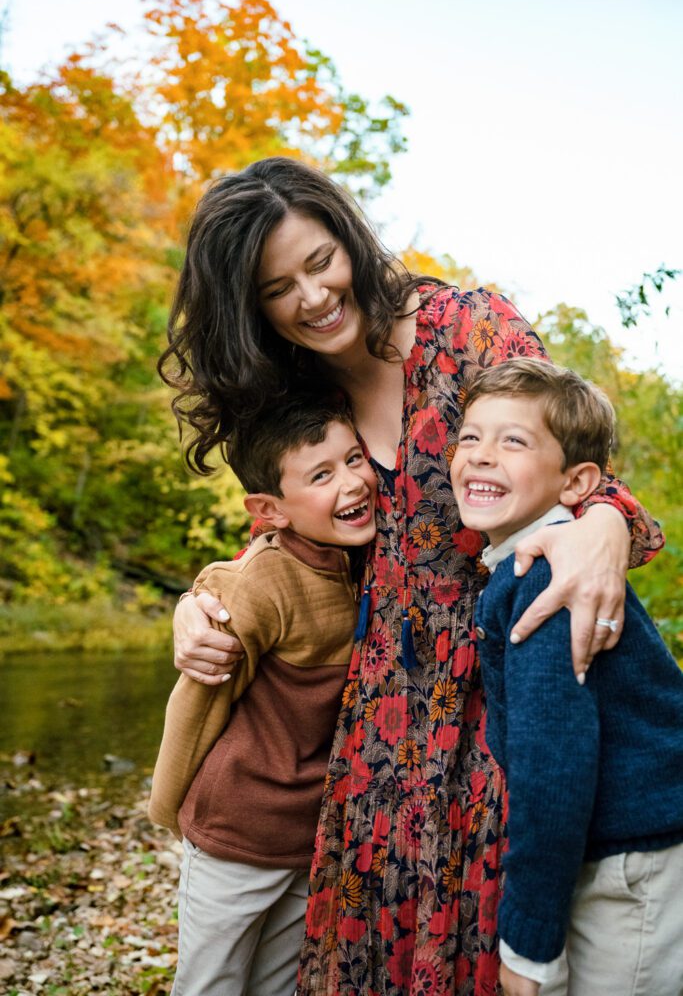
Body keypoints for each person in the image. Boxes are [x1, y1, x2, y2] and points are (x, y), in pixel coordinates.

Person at [160, 156, 664, 995]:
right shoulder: (295, 390)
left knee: (508, 947)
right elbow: (288, 535)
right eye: (278, 287)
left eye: (320, 262)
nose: (313, 297)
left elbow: (575, 468)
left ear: (350, 238)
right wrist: (204, 595)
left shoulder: (467, 329)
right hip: (379, 732)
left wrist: (607, 524)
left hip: (504, 697)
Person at [450, 358, 683, 996]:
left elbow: (554, 767)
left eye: (513, 440)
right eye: (470, 436)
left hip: (634, 868)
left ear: (577, 480)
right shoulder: (525, 567)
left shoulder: (544, 581)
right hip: (622, 850)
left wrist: (528, 944)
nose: (481, 456)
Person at [148, 392, 378, 996]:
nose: (353, 483)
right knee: (212, 982)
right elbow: (195, 705)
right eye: (322, 475)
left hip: (306, 835)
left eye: (354, 459)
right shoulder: (264, 581)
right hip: (235, 833)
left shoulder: (361, 563)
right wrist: (169, 807)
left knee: (276, 983)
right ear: (269, 509)